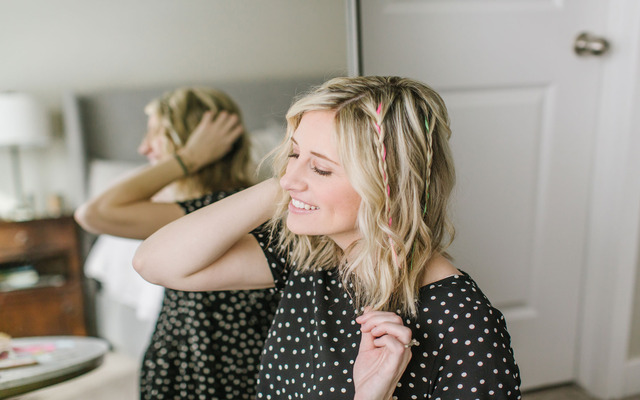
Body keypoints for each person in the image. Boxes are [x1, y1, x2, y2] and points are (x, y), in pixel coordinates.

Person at [133, 77, 522, 399]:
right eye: (293, 153)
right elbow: (154, 263)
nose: (287, 179)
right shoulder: (311, 258)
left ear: (388, 187)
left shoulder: (464, 324)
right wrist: (295, 179)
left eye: (321, 168)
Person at [74, 87, 280, 400]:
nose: (144, 147)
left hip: (209, 372)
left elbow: (95, 214)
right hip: (190, 364)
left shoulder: (216, 210)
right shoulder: (195, 207)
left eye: (157, 133)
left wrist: (188, 159)